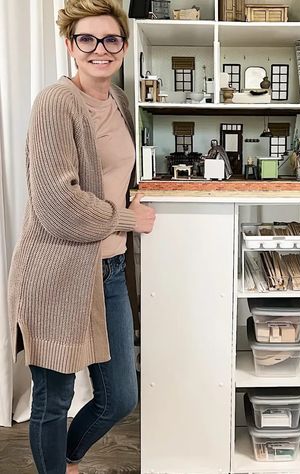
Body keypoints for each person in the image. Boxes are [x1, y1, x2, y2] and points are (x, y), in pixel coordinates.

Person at [7, 1, 155, 472]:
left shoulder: (120, 102)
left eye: (111, 39)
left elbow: (116, 173)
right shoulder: (56, 102)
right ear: (70, 46)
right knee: (54, 399)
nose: (100, 49)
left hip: (107, 270)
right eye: (86, 40)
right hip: (55, 272)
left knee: (120, 398)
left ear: (124, 47)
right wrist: (128, 219)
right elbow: (57, 204)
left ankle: (68, 459)